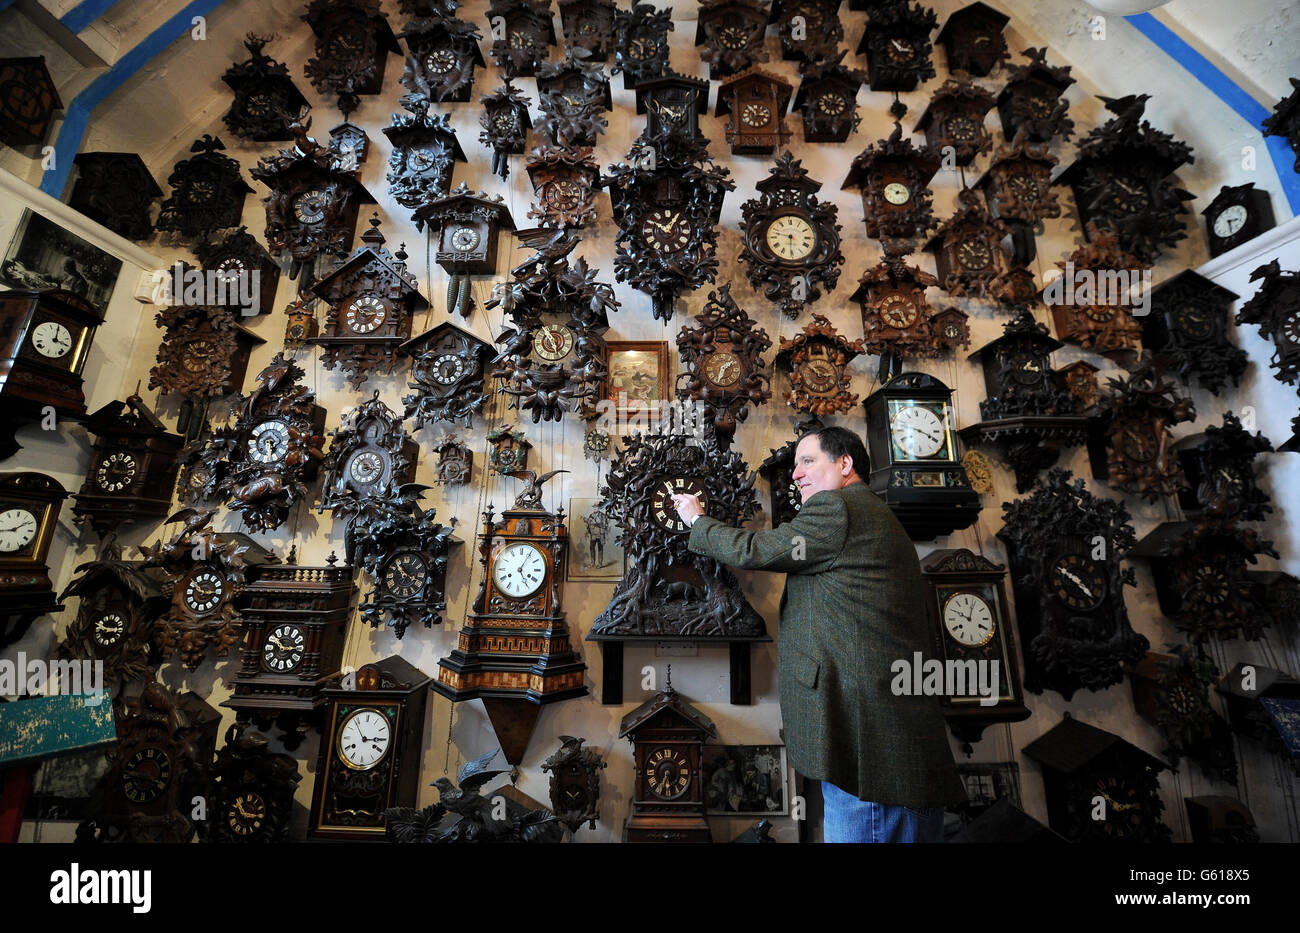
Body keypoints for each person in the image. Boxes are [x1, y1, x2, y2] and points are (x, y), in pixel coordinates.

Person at [671, 425, 965, 843]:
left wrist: (697, 520)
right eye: (794, 466)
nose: (796, 475)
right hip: (883, 747)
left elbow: (757, 551)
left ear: (845, 463)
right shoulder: (869, 512)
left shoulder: (839, 508)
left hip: (872, 759)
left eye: (808, 461)